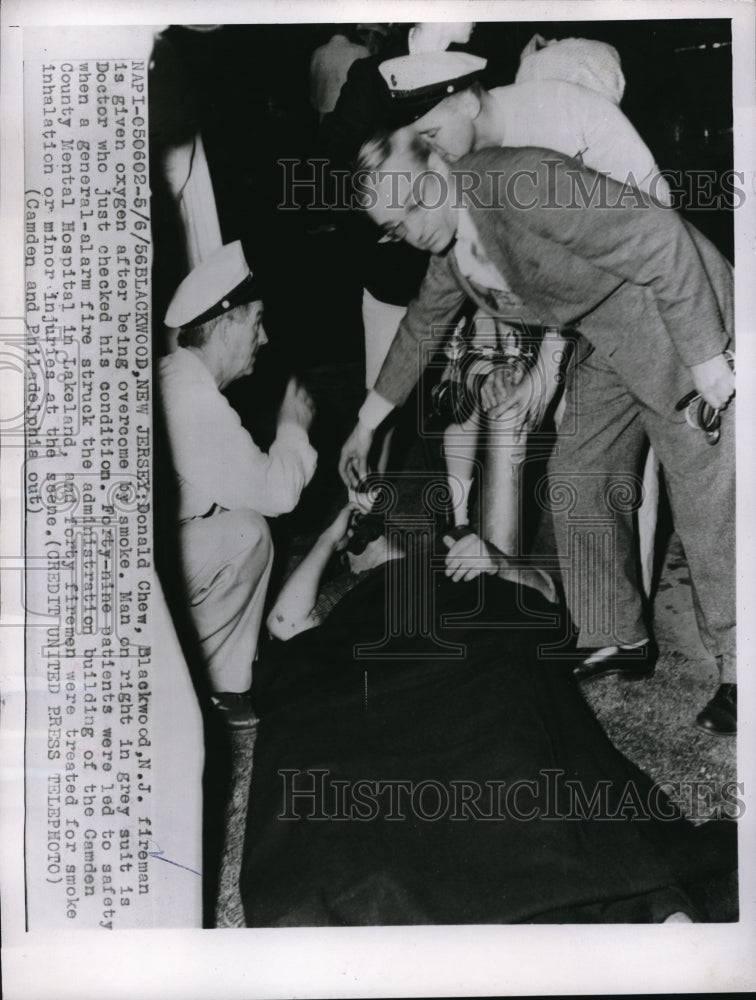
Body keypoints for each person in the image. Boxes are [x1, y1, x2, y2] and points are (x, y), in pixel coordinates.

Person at [339, 138, 735, 736]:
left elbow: (661, 238)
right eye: (396, 227)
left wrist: (708, 360)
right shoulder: (455, 242)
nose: (416, 231)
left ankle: (742, 668)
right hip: (610, 332)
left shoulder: (524, 181)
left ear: (439, 166)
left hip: (677, 317)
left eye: (417, 204)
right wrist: (366, 425)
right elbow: (424, 319)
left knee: (707, 503)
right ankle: (615, 634)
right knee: (578, 472)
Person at [240, 505, 736, 926]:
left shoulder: (461, 566)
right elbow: (285, 623)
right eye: (362, 536)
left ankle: (640, 901)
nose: (372, 537)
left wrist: (497, 562)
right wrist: (329, 539)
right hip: (378, 676)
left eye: (381, 528)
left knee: (515, 745)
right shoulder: (356, 598)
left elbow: (547, 600)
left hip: (477, 655)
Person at [375, 50, 669, 556]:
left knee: (633, 454)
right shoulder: (479, 135)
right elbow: (481, 262)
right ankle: (502, 574)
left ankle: (627, 596)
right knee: (529, 420)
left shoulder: (564, 136)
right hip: (571, 304)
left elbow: (580, 267)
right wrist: (511, 362)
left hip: (638, 289)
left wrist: (546, 369)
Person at [159, 240, 317, 729]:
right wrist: (293, 426)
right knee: (249, 533)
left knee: (234, 526)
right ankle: (201, 683)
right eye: (256, 321)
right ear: (226, 325)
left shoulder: (178, 379)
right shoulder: (192, 401)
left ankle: (203, 677)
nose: (264, 338)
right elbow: (278, 495)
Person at [319, 24, 476, 473]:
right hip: (393, 268)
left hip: (459, 250)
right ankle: (371, 519)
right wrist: (384, 213)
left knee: (465, 392)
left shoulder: (471, 60)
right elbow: (331, 155)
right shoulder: (371, 76)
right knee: (384, 390)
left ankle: (458, 514)